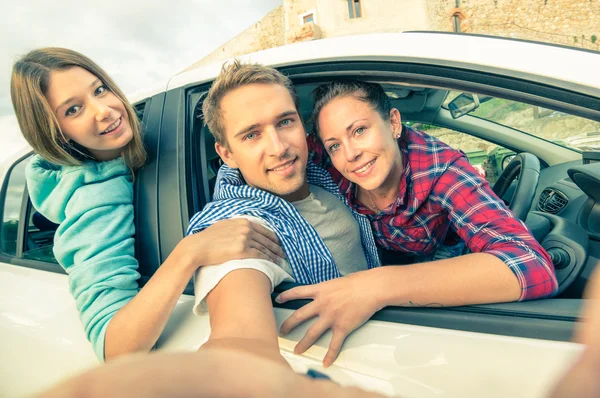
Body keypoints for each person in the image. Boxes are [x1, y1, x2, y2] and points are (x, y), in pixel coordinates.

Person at [10, 48, 285, 362]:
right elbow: (114, 346)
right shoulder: (93, 200)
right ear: (54, 133)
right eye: (73, 110)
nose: (104, 111)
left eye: (99, 90)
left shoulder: (146, 134)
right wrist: (191, 251)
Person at [275, 80, 559, 366]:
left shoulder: (441, 169)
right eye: (334, 145)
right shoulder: (323, 160)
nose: (350, 155)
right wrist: (229, 211)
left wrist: (376, 286)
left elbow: (532, 267)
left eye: (360, 130)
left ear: (394, 123)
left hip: (435, 273)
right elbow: (266, 159)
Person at [186, 61, 380, 366]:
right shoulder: (240, 226)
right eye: (251, 135)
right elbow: (238, 342)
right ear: (226, 154)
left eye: (285, 122)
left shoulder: (327, 174)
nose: (278, 148)